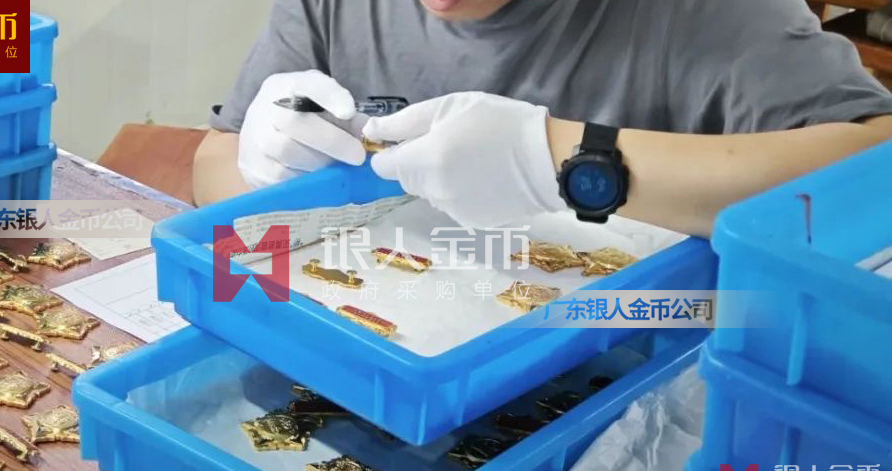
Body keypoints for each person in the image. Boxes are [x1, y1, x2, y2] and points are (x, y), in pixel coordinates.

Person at [193, 0, 892, 236]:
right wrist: (260, 175)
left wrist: (563, 160)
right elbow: (212, 163)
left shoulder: (703, 14)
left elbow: (879, 173)